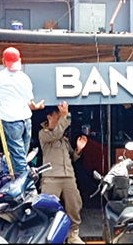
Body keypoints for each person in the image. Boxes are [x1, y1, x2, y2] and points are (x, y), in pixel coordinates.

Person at [0, 46, 45, 177]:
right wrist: (40, 106)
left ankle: (26, 186)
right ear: (20, 60)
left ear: (3, 61)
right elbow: (32, 105)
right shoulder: (25, 78)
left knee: (19, 161)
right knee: (21, 157)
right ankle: (23, 181)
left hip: (11, 122)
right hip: (26, 122)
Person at [39, 101, 87, 244]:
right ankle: (48, 235)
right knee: (48, 208)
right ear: (49, 117)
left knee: (75, 204)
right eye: (58, 115)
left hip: (68, 176)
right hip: (51, 177)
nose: (60, 118)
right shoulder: (44, 134)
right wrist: (65, 118)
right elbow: (56, 133)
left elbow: (72, 157)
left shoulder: (63, 138)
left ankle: (73, 235)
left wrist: (78, 150)